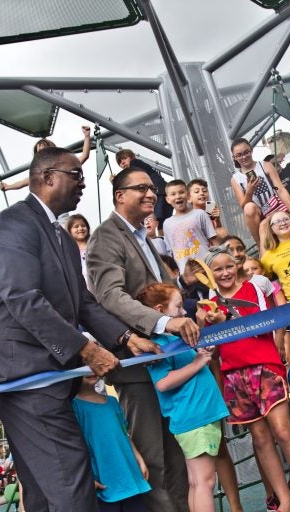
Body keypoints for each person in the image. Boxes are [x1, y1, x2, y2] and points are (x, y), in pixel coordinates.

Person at [0, 147, 148, 511]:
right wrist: (86, 348)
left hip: (45, 369)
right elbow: (22, 298)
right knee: (70, 479)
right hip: (22, 370)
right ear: (48, 177)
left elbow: (83, 303)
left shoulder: (63, 238)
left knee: (45, 486)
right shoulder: (10, 225)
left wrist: (126, 337)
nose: (83, 183)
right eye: (76, 175)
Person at [86, 166, 198, 511]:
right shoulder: (106, 237)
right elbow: (110, 296)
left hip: (163, 362)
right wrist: (164, 322)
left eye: (153, 188)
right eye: (142, 189)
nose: (151, 194)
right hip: (135, 368)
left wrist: (190, 304)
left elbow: (160, 294)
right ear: (120, 195)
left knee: (177, 455)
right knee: (154, 459)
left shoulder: (144, 237)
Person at [199, 247, 290, 512]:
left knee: (283, 431)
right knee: (260, 439)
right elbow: (212, 349)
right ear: (210, 274)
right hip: (234, 374)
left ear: (237, 266)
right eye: (218, 269)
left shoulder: (253, 288)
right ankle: (285, 501)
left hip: (265, 367)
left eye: (228, 266)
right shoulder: (209, 301)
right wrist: (204, 326)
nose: (224, 273)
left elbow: (264, 326)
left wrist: (228, 318)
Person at [137, 283, 230, 512]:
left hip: (197, 415)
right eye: (178, 307)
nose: (182, 312)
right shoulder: (158, 345)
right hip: (195, 417)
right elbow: (163, 383)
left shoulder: (171, 340)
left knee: (196, 482)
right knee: (204, 483)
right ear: (160, 310)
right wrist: (197, 364)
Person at [73, 374, 151, 512]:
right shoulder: (73, 407)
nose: (90, 370)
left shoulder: (112, 401)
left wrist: (138, 457)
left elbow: (123, 433)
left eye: (91, 363)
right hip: (103, 481)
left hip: (129, 475)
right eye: (83, 365)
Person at [230, 138, 290, 246]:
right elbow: (243, 205)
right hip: (260, 217)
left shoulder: (265, 165)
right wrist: (249, 191)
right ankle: (260, 245)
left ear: (251, 150)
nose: (244, 157)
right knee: (249, 207)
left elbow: (280, 189)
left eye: (246, 152)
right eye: (239, 155)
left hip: (275, 208)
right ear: (234, 157)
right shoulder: (236, 179)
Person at [0, 125, 91, 191]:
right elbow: (23, 183)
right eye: (39, 152)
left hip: (61, 209)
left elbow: (84, 156)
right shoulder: (40, 173)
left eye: (44, 150)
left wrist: (87, 136)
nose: (42, 154)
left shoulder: (61, 165)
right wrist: (8, 187)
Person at [163, 179, 218, 273]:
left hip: (207, 270)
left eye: (181, 192)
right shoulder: (166, 224)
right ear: (168, 199)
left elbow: (215, 242)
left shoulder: (200, 214)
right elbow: (170, 251)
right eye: (173, 194)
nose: (178, 196)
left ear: (188, 195)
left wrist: (217, 264)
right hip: (186, 275)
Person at [116, 149, 173, 230]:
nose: (122, 162)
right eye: (119, 162)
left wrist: (116, 180)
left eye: (124, 158)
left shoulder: (134, 163)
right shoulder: (138, 168)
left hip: (158, 192)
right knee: (162, 222)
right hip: (162, 191)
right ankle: (163, 240)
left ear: (131, 157)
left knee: (152, 220)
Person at [66, 213, 92, 284]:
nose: (80, 228)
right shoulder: (67, 250)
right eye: (76, 226)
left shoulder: (94, 246)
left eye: (83, 226)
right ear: (69, 230)